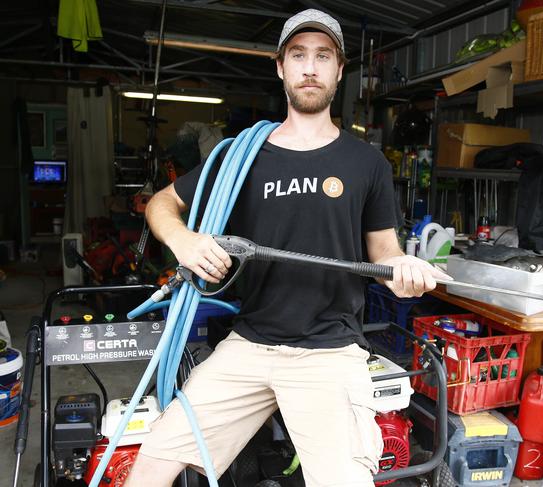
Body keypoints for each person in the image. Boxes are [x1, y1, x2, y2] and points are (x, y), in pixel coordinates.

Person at [125, 9, 447, 487]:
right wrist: (184, 239)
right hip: (249, 342)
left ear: (340, 71)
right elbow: (162, 203)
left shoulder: (367, 161)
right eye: (298, 55)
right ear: (281, 68)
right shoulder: (242, 155)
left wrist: (403, 270)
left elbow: (383, 252)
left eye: (323, 56)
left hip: (330, 351)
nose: (310, 68)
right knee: (148, 469)